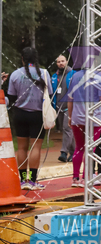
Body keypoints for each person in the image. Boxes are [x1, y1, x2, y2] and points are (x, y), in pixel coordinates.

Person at [6, 47, 53, 191]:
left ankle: (22, 180)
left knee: (21, 147)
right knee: (35, 147)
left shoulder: (15, 74)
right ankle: (32, 181)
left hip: (20, 114)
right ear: (36, 59)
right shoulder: (44, 73)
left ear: (22, 59)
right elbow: (50, 94)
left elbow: (11, 97)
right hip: (37, 115)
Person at [67, 60, 101, 188]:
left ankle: (75, 178)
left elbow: (70, 99)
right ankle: (86, 177)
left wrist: (70, 116)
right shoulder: (99, 77)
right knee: (91, 149)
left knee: (79, 148)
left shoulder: (75, 76)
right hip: (94, 118)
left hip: (77, 117)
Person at [52, 54, 75, 163]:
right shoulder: (54, 77)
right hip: (59, 108)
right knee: (67, 130)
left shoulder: (73, 74)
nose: (61, 63)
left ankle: (64, 152)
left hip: (70, 107)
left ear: (66, 61)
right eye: (58, 62)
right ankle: (74, 152)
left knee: (67, 128)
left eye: (62, 61)